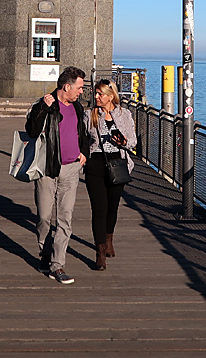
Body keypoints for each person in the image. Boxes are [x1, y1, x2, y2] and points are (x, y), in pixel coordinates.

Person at [25, 66, 88, 284]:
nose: (81, 92)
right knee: (43, 216)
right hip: (47, 167)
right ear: (66, 86)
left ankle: (57, 264)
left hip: (71, 169)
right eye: (79, 87)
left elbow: (83, 132)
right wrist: (42, 107)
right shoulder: (47, 104)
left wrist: (84, 153)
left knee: (65, 218)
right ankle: (44, 254)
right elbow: (32, 131)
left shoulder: (78, 107)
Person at [84, 79, 136, 271]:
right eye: (95, 93)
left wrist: (123, 141)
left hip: (118, 162)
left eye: (100, 94)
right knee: (99, 208)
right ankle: (100, 252)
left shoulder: (124, 114)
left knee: (112, 207)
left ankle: (109, 238)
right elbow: (83, 138)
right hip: (95, 163)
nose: (96, 97)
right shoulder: (89, 115)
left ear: (110, 95)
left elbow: (133, 141)